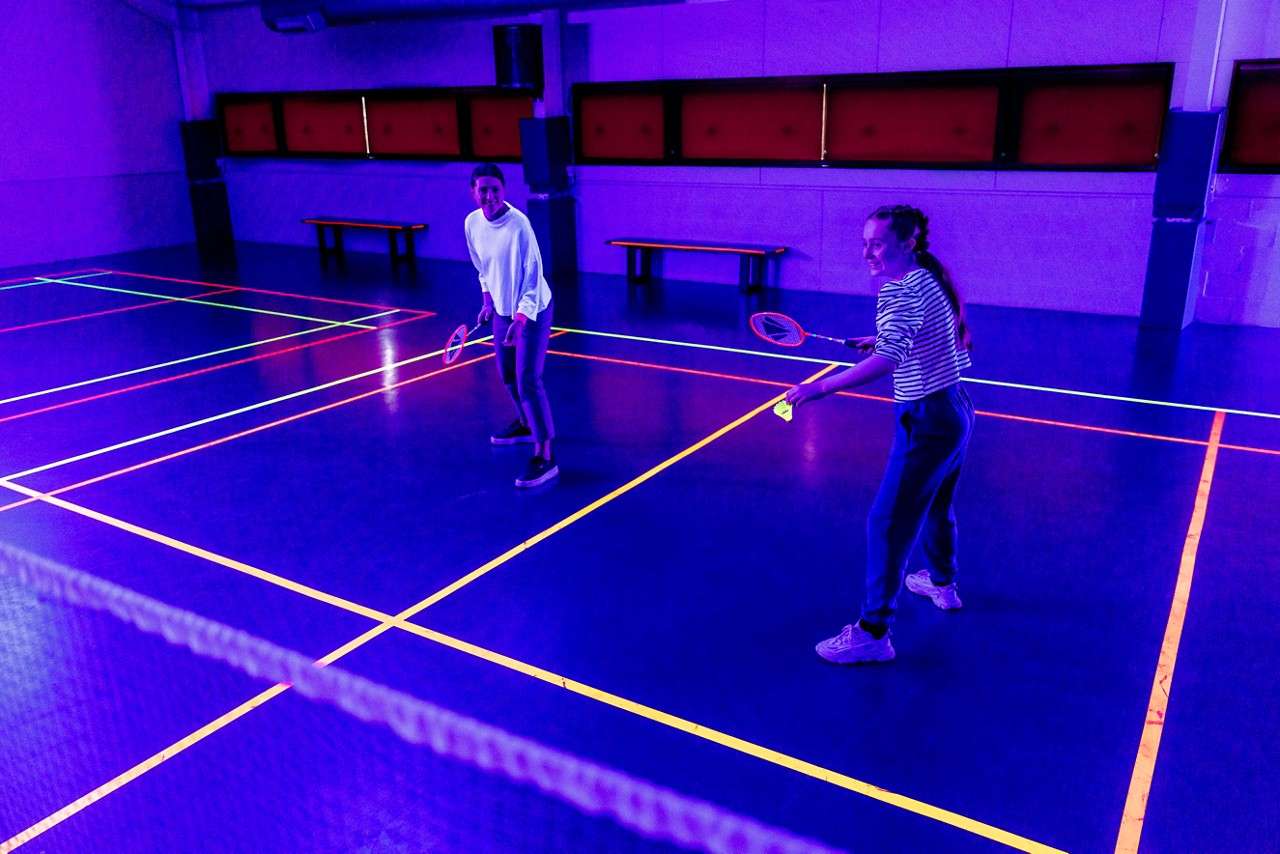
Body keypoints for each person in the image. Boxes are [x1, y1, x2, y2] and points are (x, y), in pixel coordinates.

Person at [785, 205, 975, 663]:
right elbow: (919, 335)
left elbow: (891, 358)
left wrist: (821, 387)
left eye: (878, 243)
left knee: (886, 523)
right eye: (865, 242)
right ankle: (943, 585)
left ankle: (873, 632)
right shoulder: (928, 278)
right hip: (955, 411)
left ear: (907, 242)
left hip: (926, 421)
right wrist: (882, 340)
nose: (868, 252)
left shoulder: (896, 291)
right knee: (937, 505)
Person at [465, 163, 558, 488]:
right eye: (483, 189)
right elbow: (482, 267)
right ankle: (525, 422)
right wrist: (488, 301)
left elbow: (533, 278)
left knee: (528, 379)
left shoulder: (519, 226)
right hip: (502, 311)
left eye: (495, 189)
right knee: (507, 376)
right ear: (473, 192)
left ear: (503, 191)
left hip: (531, 311)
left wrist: (520, 319)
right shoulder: (473, 223)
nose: (489, 196)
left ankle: (545, 454)